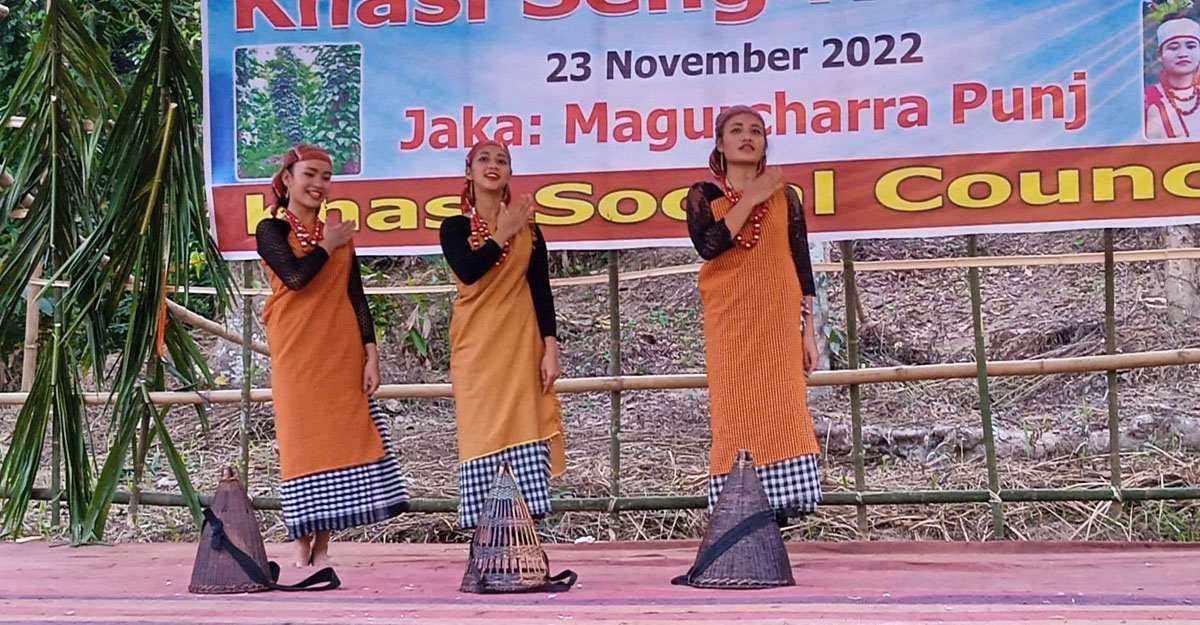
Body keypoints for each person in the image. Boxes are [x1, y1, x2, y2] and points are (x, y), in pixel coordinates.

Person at [256, 144, 409, 567]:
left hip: (340, 349)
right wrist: (327, 245)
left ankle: (322, 547)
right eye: (310, 174)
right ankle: (299, 544)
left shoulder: (337, 232)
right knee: (303, 443)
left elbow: (356, 296)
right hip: (297, 351)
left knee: (337, 442)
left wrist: (371, 354)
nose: (318, 184)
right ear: (287, 179)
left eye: (325, 177)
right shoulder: (270, 230)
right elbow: (295, 277)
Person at [684, 106, 822, 524]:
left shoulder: (787, 198)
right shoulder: (703, 196)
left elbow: (801, 265)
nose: (748, 137)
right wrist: (753, 196)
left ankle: (779, 509)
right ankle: (737, 507)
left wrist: (808, 332)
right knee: (735, 412)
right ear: (720, 145)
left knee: (784, 407)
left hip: (778, 324)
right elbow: (709, 245)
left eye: (756, 131)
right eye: (737, 130)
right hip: (731, 324)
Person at [439, 140, 565, 529]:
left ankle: (525, 540)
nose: (493, 165)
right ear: (469, 172)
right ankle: (488, 540)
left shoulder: (529, 231)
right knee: (481, 432)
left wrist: (550, 347)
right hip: (476, 349)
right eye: (484, 159)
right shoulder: (454, 226)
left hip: (520, 345)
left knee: (526, 426)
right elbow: (469, 269)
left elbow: (541, 289)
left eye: (502, 160)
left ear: (510, 173)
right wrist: (504, 231)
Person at [1146, 15, 1200, 139]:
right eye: (1173, 48)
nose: (1183, 54)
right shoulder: (1147, 98)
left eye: (1191, 46)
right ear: (1160, 55)